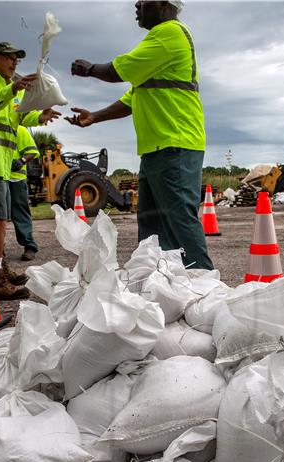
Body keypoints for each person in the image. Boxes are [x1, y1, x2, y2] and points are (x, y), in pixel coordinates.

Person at [67, 0, 213, 270]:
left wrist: (89, 69)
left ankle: (204, 286)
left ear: (163, 4)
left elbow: (119, 70)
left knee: (179, 220)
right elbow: (132, 98)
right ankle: (157, 280)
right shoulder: (157, 48)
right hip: (159, 147)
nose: (137, 4)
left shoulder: (170, 32)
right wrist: (95, 116)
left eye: (144, 0)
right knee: (151, 223)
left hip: (176, 143)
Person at [0, 42, 60, 299]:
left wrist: (41, 117)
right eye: (10, 58)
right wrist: (14, 88)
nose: (14, 63)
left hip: (4, 164)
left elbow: (21, 117)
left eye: (17, 60)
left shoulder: (12, 91)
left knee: (2, 219)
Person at [8, 122, 40, 261]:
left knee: (20, 213)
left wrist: (21, 161)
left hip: (16, 179)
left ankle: (29, 246)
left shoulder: (19, 130)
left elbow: (32, 151)